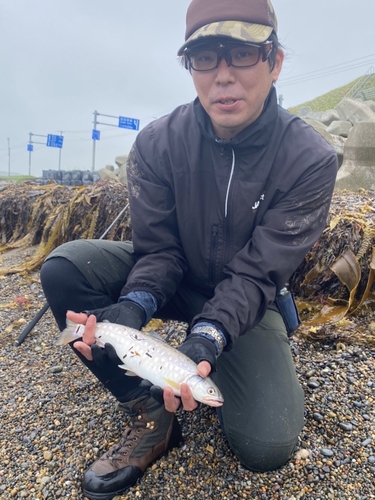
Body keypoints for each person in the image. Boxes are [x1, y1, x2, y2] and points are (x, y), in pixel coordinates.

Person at [40, 0, 338, 498]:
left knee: (267, 447)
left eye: (242, 54)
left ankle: (212, 360)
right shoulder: (157, 143)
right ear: (189, 67)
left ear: (275, 61)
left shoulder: (310, 159)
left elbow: (258, 274)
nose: (223, 77)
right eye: (205, 57)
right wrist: (132, 309)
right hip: (175, 281)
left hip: (248, 300)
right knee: (66, 268)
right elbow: (158, 252)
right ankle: (147, 407)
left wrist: (208, 338)